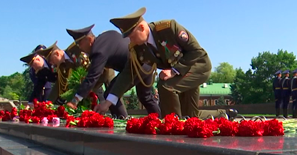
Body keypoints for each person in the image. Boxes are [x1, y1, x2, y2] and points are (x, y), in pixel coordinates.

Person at [95, 7, 232, 119]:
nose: (130, 41)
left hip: (197, 66)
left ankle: (172, 124)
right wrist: (108, 102)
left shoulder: (168, 29)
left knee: (166, 85)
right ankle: (223, 115)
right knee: (190, 115)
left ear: (142, 28)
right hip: (181, 74)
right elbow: (128, 74)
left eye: (132, 36)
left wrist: (173, 71)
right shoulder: (139, 49)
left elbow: (197, 52)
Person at [64, 24, 160, 117]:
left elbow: (93, 76)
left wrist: (75, 100)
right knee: (146, 97)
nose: (79, 48)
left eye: (79, 43)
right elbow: (101, 75)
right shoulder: (106, 37)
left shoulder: (98, 50)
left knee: (111, 94)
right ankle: (161, 123)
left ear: (89, 39)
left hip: (134, 66)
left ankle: (123, 121)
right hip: (147, 63)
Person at [36, 41, 122, 117]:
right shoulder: (62, 66)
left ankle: (123, 117)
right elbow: (58, 86)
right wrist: (47, 103)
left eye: (51, 60)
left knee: (113, 94)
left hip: (104, 71)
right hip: (89, 84)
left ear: (57, 54)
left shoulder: (76, 50)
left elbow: (91, 70)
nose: (51, 64)